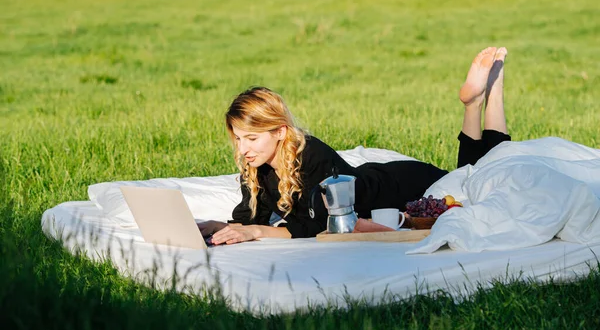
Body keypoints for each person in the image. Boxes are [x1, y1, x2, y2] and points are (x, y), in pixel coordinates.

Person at [198, 47, 511, 245]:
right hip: (376, 176)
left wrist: (257, 232)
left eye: (251, 138)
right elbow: (251, 219)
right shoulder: (257, 166)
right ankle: (475, 103)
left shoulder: (312, 156)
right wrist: (212, 227)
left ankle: (491, 93)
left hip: (404, 185)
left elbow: (323, 227)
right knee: (471, 174)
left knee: (477, 178)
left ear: (280, 131)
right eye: (238, 139)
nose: (243, 149)